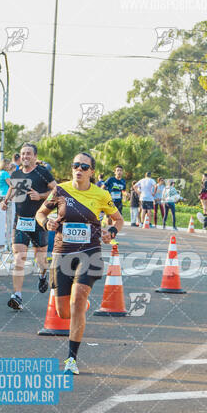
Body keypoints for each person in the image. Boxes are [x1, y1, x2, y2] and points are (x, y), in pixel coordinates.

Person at [36, 152, 124, 375]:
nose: (79, 169)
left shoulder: (101, 195)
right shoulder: (60, 190)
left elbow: (118, 219)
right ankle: (80, 308)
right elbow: (40, 213)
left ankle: (71, 360)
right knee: (64, 312)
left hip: (90, 253)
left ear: (92, 172)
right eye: (76, 165)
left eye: (84, 167)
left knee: (77, 299)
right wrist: (47, 222)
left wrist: (111, 232)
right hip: (62, 253)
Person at [0, 143, 56, 311]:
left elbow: (57, 190)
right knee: (19, 257)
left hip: (39, 222)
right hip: (21, 222)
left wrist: (41, 195)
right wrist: (6, 200)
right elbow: (12, 187)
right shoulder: (16, 172)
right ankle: (17, 295)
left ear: (35, 156)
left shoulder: (42, 173)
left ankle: (43, 274)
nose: (25, 156)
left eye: (28, 154)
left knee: (40, 259)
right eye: (23, 154)